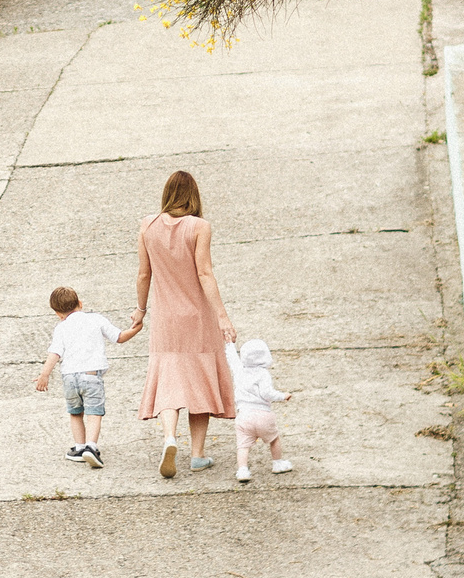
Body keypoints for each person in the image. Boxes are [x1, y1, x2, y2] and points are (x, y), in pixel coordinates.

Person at [133, 170, 236, 477]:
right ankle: (198, 454)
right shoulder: (199, 226)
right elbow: (204, 273)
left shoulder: (147, 225)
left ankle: (168, 437)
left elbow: (143, 274)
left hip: (164, 318)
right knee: (199, 381)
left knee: (168, 379)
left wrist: (140, 311)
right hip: (197, 317)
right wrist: (222, 316)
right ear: (194, 195)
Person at [33, 286, 134, 467]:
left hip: (69, 378)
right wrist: (137, 328)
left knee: (75, 413)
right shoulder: (96, 319)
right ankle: (91, 447)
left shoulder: (61, 327)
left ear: (57, 313)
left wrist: (44, 375)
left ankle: (79, 448)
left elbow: (55, 353)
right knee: (94, 412)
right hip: (92, 375)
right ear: (80, 303)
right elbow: (119, 337)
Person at [226, 338, 295, 482]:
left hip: (244, 415)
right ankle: (277, 463)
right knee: (274, 439)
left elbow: (232, 359)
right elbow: (266, 393)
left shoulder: (239, 371)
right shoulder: (263, 374)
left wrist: (229, 344)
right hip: (263, 414)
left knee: (243, 446)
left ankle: (243, 470)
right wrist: (283, 396)